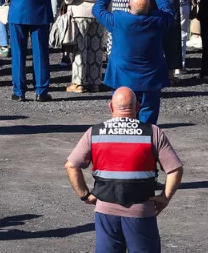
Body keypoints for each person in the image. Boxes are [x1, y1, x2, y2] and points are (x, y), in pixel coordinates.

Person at [65, 87, 184, 253]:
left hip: (106, 209)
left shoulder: (95, 132)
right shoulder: (152, 132)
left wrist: (85, 195)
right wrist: (165, 198)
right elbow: (175, 169)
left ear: (111, 106)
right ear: (137, 107)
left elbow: (71, 165)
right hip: (141, 210)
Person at [93, 0, 175, 124]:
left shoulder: (118, 19)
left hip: (122, 78)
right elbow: (168, 9)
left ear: (128, 6)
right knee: (148, 121)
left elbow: (97, 8)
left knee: (123, 119)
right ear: (150, 7)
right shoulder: (159, 21)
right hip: (150, 79)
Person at [61, 0, 110, 93]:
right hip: (98, 13)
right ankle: (95, 82)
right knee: (96, 48)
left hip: (79, 13)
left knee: (80, 49)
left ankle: (78, 83)